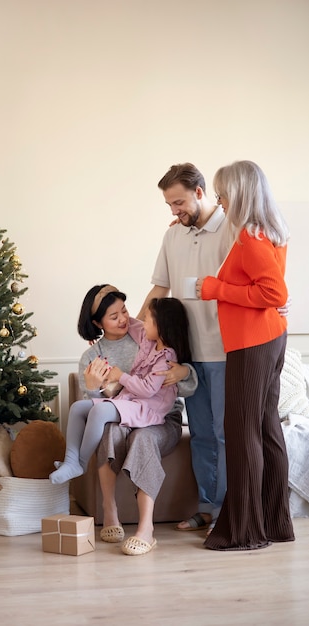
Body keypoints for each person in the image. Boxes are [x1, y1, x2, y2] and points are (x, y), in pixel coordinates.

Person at [52, 284, 197, 555]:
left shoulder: (145, 335)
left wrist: (183, 372)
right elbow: (94, 397)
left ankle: (146, 529)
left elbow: (178, 375)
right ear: (97, 323)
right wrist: (95, 388)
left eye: (124, 311)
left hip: (156, 415)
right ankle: (107, 508)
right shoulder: (91, 356)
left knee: (138, 435)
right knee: (96, 420)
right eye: (113, 316)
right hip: (125, 407)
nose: (124, 319)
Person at [196, 160, 294, 550]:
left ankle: (245, 531)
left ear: (238, 193)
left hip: (252, 344)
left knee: (241, 432)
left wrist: (216, 288)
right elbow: (275, 294)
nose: (219, 201)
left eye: (222, 193)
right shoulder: (271, 230)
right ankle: (274, 523)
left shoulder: (251, 238)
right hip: (270, 339)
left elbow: (275, 294)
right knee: (266, 429)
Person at [138, 163, 232, 532]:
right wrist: (132, 329)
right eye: (169, 205)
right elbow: (160, 289)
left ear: (199, 192)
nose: (175, 211)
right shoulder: (173, 237)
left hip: (226, 351)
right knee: (203, 435)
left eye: (179, 202)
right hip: (187, 356)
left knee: (226, 435)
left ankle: (228, 511)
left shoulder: (231, 228)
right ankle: (208, 506)